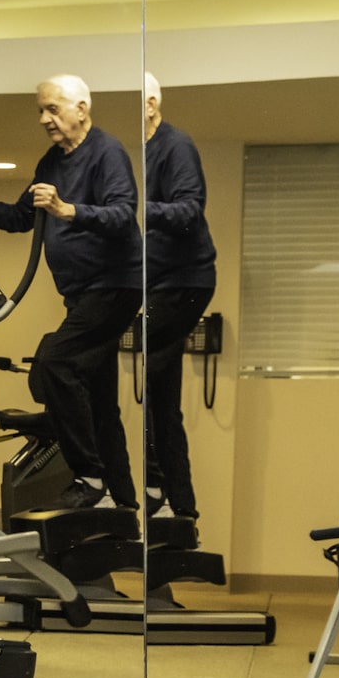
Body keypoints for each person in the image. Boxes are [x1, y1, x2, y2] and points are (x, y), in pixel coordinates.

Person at [0, 74, 141, 511]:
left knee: (56, 362)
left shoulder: (107, 152)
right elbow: (18, 218)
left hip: (114, 286)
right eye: (41, 111)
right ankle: (121, 503)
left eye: (53, 109)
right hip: (81, 294)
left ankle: (88, 476)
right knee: (100, 400)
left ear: (81, 109)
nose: (45, 119)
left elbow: (124, 213)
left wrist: (68, 209)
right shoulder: (52, 162)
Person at [142, 73, 216, 520]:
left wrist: (134, 208)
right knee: (159, 390)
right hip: (164, 282)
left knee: (157, 384)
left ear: (152, 103)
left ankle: (164, 490)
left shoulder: (175, 146)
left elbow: (189, 209)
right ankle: (173, 498)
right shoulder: (145, 152)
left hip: (186, 281)